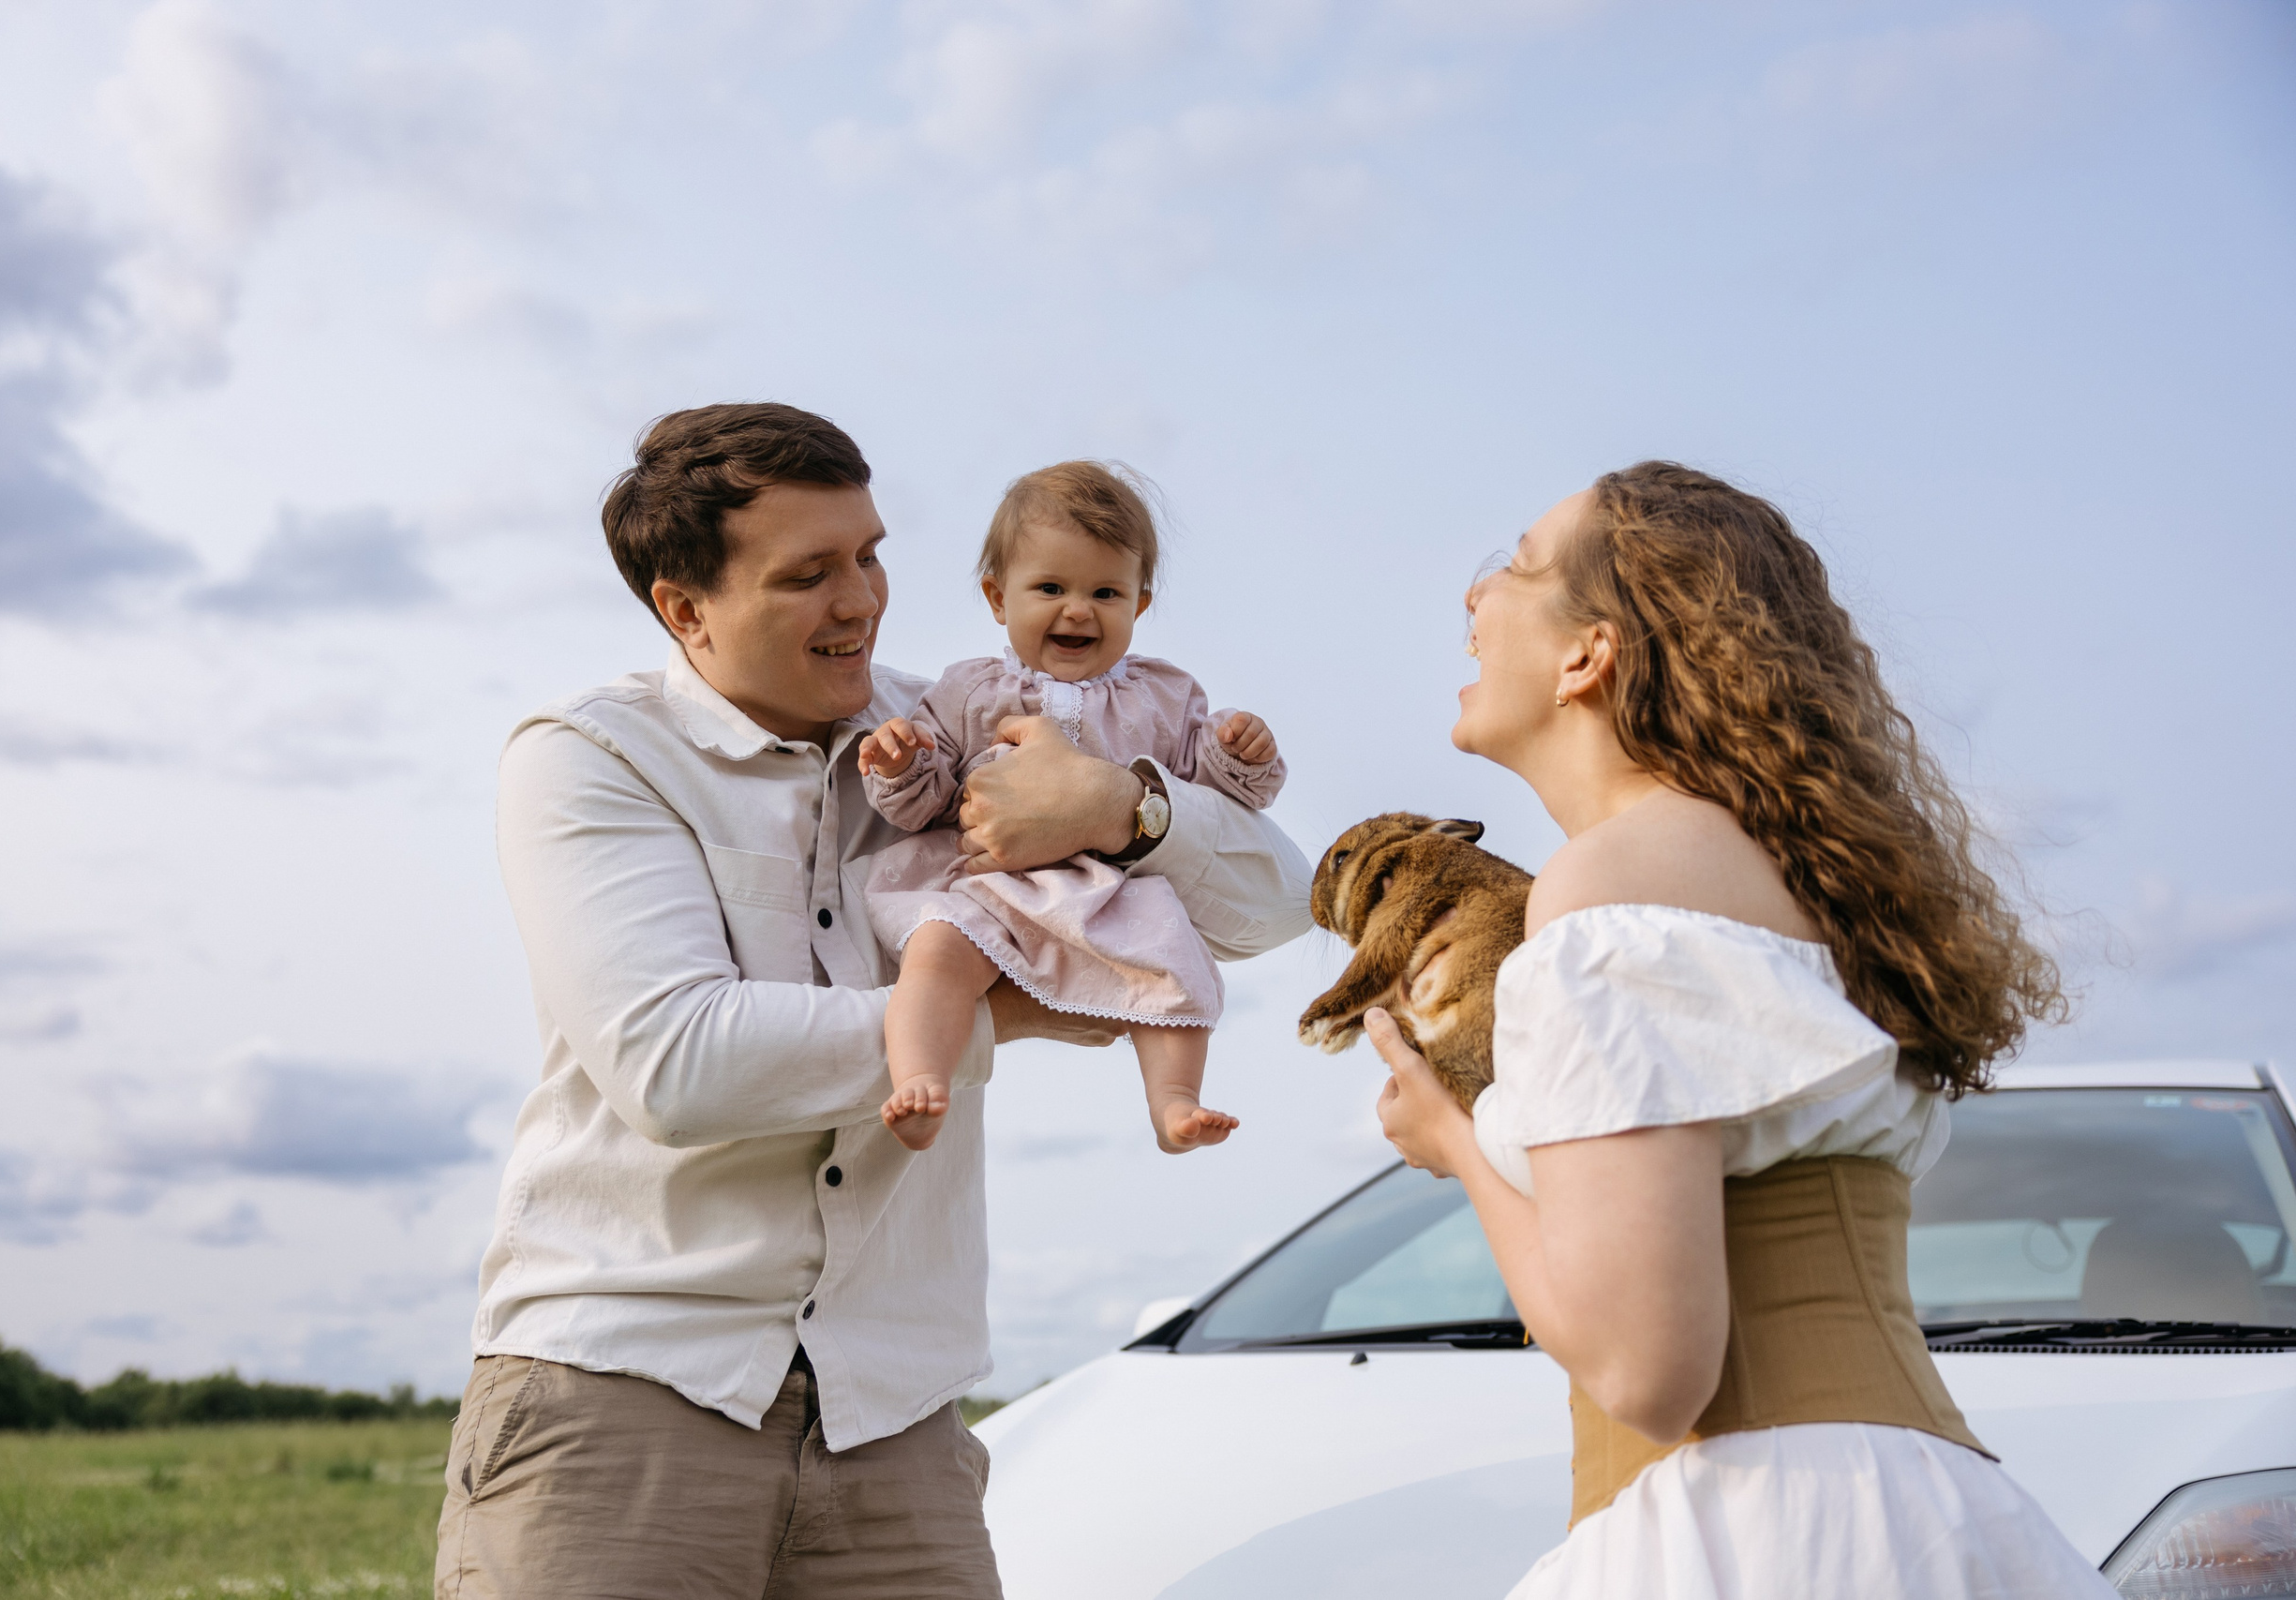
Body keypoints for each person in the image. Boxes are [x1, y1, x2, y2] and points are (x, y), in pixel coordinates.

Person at [433, 404, 1311, 1599]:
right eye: (808, 576)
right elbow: (678, 1064)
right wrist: (1005, 1017)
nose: (861, 601)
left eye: (871, 554)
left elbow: (1270, 908)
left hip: (895, 1416)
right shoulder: (592, 757)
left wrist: (1120, 809)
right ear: (682, 608)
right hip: (624, 1398)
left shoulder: (966, 721)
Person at [1369, 462, 2113, 1597]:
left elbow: (1649, 1371)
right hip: (1917, 1508)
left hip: (1755, 1531)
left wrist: (1453, 1142)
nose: (1473, 600)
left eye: (1514, 569)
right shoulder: (1809, 886)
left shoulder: (1607, 891)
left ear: (1588, 653)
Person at [856, 460, 1283, 1154]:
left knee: (1173, 962)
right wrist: (906, 760)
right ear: (999, 597)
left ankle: (1174, 1102)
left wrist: (1241, 753)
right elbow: (926, 802)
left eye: (1106, 591)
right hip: (985, 883)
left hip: (1113, 889)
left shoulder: (1166, 696)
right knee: (936, 954)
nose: (1078, 609)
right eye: (1050, 587)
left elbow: (1209, 792)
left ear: (1139, 605)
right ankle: (920, 1076)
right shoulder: (969, 689)